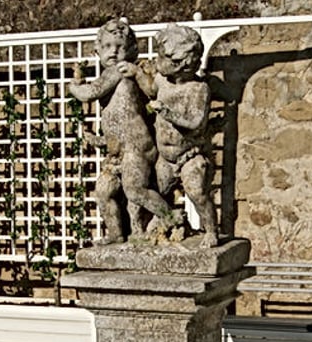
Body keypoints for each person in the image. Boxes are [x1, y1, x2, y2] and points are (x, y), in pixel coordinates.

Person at [68, 18, 177, 243]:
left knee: (135, 190)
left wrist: (74, 86)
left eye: (119, 46)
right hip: (118, 150)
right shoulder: (115, 73)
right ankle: (116, 233)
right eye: (107, 46)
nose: (113, 51)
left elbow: (89, 93)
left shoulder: (118, 71)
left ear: (131, 50)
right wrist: (100, 140)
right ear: (97, 50)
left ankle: (172, 218)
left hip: (135, 147)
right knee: (104, 191)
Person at [136, 24, 218, 248]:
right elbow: (150, 90)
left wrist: (168, 113)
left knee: (197, 193)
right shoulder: (162, 81)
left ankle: (211, 230)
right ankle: (167, 222)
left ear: (179, 62)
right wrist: (138, 74)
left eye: (161, 57)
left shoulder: (197, 89)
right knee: (155, 192)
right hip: (165, 157)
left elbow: (196, 122)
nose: (157, 60)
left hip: (189, 154)